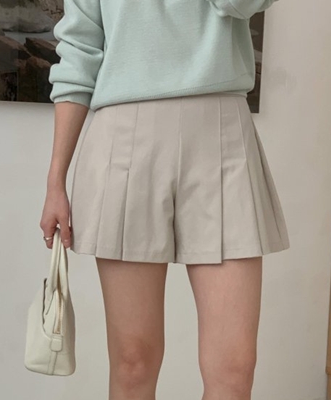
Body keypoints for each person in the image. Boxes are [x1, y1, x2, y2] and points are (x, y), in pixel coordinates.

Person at [40, 1, 290, 399]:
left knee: (234, 368)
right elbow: (79, 52)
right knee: (133, 362)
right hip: (124, 137)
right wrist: (56, 180)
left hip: (221, 132)